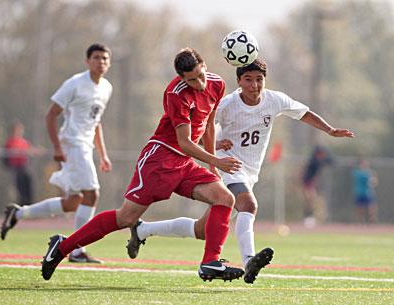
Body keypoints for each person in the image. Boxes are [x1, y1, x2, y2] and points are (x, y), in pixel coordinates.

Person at [125, 58, 354, 284]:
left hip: (250, 172)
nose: (254, 85)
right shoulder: (227, 104)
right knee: (249, 205)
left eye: (259, 79)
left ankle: (143, 230)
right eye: (248, 79)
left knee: (202, 229)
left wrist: (330, 129)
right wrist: (214, 148)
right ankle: (249, 260)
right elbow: (200, 131)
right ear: (238, 81)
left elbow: (303, 112)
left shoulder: (274, 100)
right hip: (229, 165)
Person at [40, 47, 245, 282]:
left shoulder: (216, 84)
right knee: (125, 217)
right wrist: (216, 159)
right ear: (181, 78)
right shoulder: (175, 93)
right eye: (191, 80)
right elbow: (185, 142)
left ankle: (210, 263)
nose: (198, 83)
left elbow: (208, 125)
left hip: (185, 162)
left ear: (205, 66)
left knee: (225, 198)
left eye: (200, 75)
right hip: (160, 159)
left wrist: (212, 166)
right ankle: (62, 247)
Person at [0, 43, 113, 264]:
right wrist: (57, 147)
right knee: (92, 195)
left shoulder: (107, 87)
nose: (101, 62)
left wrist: (103, 154)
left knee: (73, 201)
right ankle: (77, 250)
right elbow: (51, 115)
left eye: (105, 59)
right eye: (97, 57)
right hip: (72, 143)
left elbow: (96, 121)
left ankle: (19, 214)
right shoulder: (75, 84)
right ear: (87, 61)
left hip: (85, 146)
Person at [2, 121, 42, 205]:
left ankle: (30, 204)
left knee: (29, 182)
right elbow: (7, 154)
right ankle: (22, 204)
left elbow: (30, 149)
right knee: (20, 186)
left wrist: (38, 151)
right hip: (16, 167)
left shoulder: (23, 141)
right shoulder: (10, 142)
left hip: (25, 166)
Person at [302, 145, 333, 227]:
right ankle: (308, 219)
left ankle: (310, 218)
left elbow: (331, 161)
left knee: (311, 201)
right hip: (308, 183)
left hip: (311, 183)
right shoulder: (314, 161)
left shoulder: (318, 160)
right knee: (310, 201)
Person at [352, 159, 378, 223]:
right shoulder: (359, 173)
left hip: (368, 192)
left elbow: (374, 182)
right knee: (360, 208)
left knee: (371, 206)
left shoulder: (369, 172)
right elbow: (372, 181)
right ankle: (361, 221)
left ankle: (372, 220)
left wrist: (372, 180)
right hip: (360, 192)